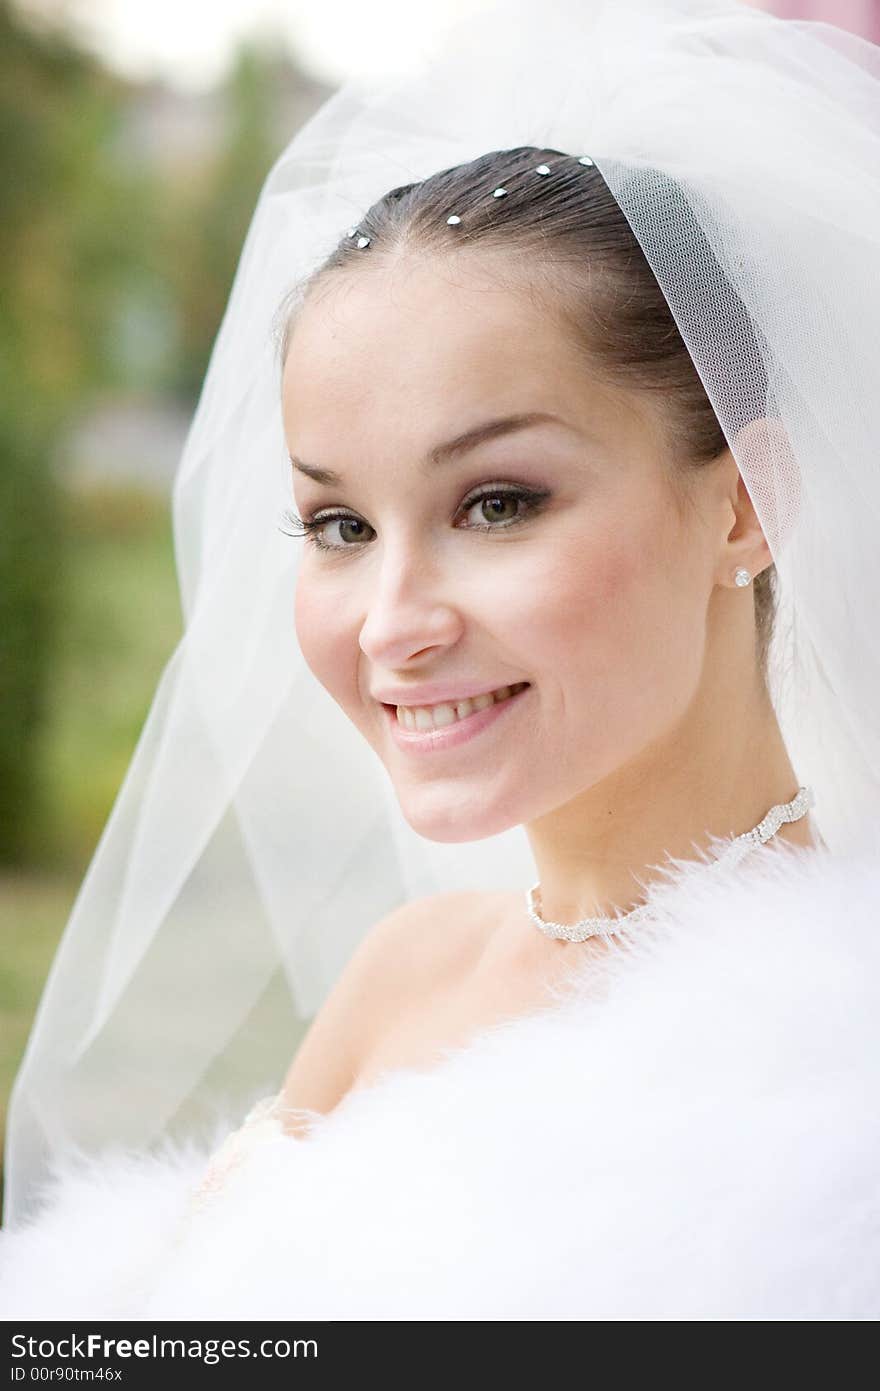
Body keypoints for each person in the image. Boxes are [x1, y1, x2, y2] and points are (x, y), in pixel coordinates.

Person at [1, 0, 879, 1320]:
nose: (389, 619)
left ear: (744, 505)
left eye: (498, 502)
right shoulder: (406, 973)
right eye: (339, 525)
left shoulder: (838, 1046)